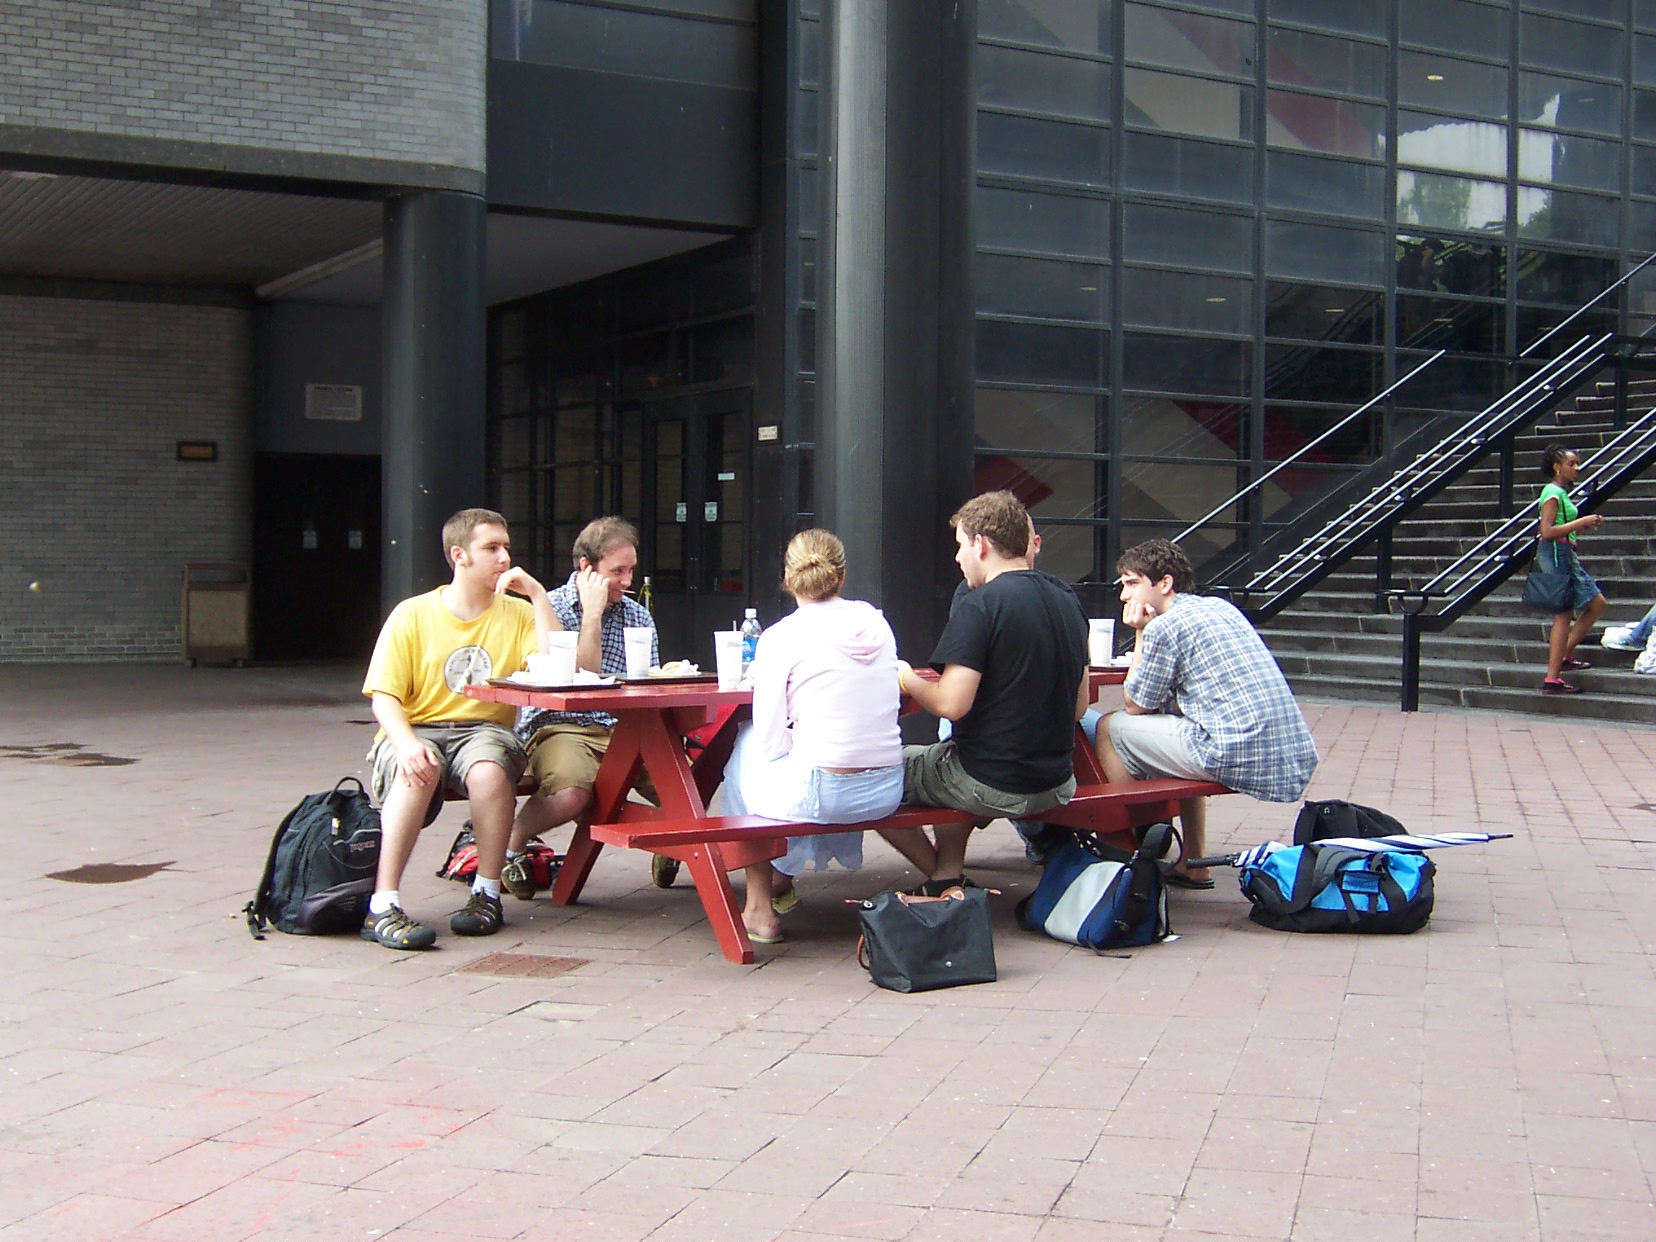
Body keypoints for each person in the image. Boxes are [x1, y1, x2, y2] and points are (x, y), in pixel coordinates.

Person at [361, 508, 558, 949]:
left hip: (484, 729)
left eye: (506, 547)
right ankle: (382, 904)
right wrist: (406, 744)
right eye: (491, 548)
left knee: (489, 772)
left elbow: (553, 669)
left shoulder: (518, 613)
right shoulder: (412, 614)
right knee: (418, 769)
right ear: (459, 555)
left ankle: (486, 894)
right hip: (417, 726)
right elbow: (384, 696)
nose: (504, 557)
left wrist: (538, 595)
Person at [881, 490, 1089, 894]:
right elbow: (1079, 706)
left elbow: (951, 704)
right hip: (1057, 782)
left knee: (872, 773)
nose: (958, 557)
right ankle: (946, 872)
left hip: (990, 782)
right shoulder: (1067, 599)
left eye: (960, 545)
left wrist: (906, 677)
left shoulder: (981, 605)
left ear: (981, 544)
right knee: (948, 756)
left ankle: (943, 877)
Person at [1098, 539, 1318, 888]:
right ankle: (1193, 863)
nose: (1124, 596)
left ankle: (1131, 858)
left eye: (1132, 583)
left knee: (1109, 726)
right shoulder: (1220, 607)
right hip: (1285, 753)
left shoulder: (1164, 626)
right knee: (1186, 731)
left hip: (1232, 750)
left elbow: (1136, 704)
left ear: (1165, 583)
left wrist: (1140, 632)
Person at [719, 529, 903, 943]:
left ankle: (759, 908)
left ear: (788, 578)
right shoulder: (877, 622)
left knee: (746, 747)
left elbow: (770, 740)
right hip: (887, 789)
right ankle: (782, 878)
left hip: (826, 794)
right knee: (806, 760)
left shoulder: (781, 636)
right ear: (842, 576)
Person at [502, 516, 657, 898]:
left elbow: (651, 682)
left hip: (623, 725)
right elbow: (580, 679)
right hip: (559, 723)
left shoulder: (637, 615)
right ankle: (511, 844)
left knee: (687, 781)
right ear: (587, 568)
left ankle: (678, 846)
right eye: (617, 571)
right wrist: (593, 614)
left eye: (631, 570)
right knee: (573, 794)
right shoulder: (547, 608)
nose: (627, 581)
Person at [1537, 445, 1607, 695]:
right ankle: (1552, 677)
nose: (1577, 468)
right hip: (1557, 554)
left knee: (1595, 603)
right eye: (1571, 464)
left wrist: (1579, 526)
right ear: (1557, 467)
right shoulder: (1553, 493)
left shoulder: (1559, 492)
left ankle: (1562, 657)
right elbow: (1546, 531)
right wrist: (1581, 522)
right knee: (1564, 614)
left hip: (1564, 553)